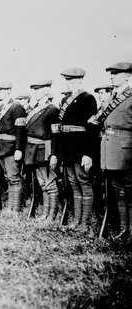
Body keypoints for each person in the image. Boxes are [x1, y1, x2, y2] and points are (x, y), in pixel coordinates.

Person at [91, 62, 132, 240]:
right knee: (118, 190)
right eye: (111, 73)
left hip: (126, 148)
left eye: (116, 73)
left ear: (128, 76)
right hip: (110, 148)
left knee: (130, 190)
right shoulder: (111, 98)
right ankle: (124, 230)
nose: (112, 76)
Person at [58, 68, 97, 231]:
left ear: (81, 80)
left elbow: (92, 129)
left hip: (80, 147)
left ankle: (85, 223)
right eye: (68, 80)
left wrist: (88, 153)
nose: (69, 83)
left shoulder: (88, 98)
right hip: (67, 148)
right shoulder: (65, 99)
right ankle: (77, 221)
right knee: (73, 184)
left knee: (83, 182)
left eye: (72, 80)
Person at [24, 80, 60, 224]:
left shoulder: (52, 110)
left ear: (46, 91)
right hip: (33, 149)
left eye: (38, 90)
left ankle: (52, 215)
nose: (35, 93)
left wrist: (54, 155)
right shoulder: (36, 108)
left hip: (45, 150)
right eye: (34, 90)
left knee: (50, 183)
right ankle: (45, 213)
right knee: (42, 183)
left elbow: (56, 134)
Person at [0, 81, 26, 213]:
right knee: (8, 178)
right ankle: (10, 207)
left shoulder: (16, 107)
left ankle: (15, 208)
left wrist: (18, 149)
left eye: (1, 89)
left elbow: (20, 130)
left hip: (12, 148)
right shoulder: (0, 108)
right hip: (1, 147)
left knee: (14, 178)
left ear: (8, 91)